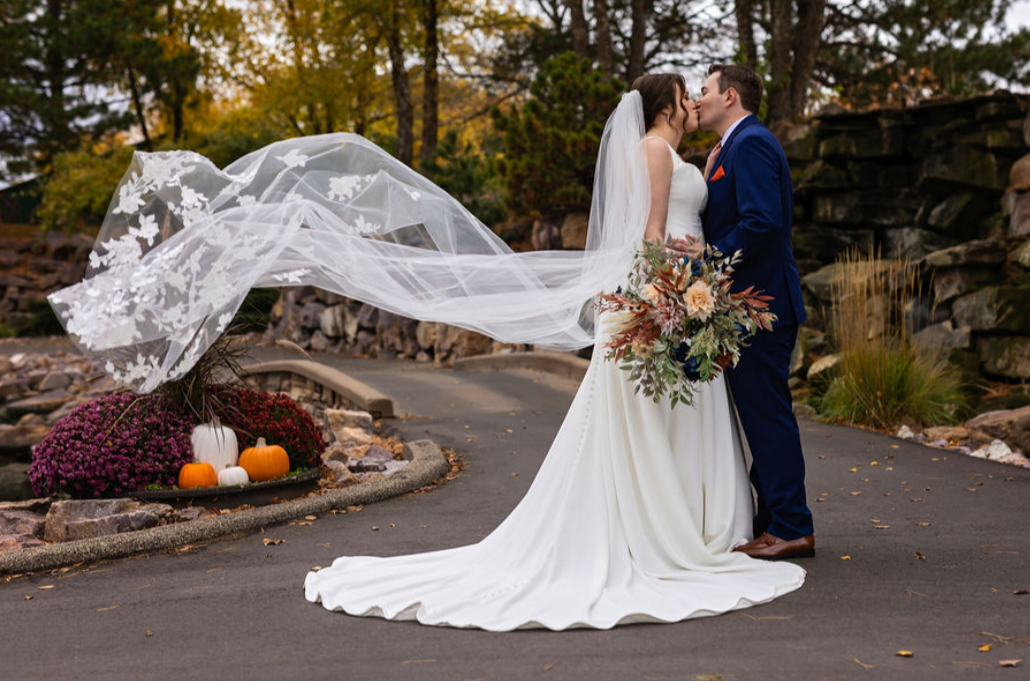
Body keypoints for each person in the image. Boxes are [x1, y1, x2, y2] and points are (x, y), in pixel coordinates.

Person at [48, 74, 806, 632]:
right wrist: (667, 289)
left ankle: (715, 523)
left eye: (707, 88)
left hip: (688, 300)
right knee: (648, 425)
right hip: (665, 297)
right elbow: (644, 235)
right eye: (691, 90)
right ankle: (670, 529)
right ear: (670, 102)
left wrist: (693, 285)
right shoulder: (652, 149)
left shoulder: (706, 152)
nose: (698, 96)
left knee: (684, 418)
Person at [684, 63, 815, 560]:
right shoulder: (728, 147)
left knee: (768, 417)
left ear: (731, 97)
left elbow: (762, 224)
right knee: (762, 417)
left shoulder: (752, 143)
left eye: (705, 91)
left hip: (762, 306)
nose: (699, 100)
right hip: (746, 306)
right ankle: (773, 521)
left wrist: (708, 257)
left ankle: (792, 527)